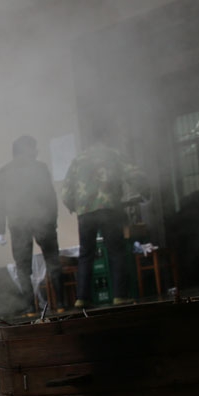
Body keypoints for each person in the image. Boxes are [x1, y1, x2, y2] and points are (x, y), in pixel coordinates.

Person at [61, 122, 150, 307]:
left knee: (86, 254)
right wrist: (144, 191)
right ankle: (119, 296)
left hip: (85, 213)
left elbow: (66, 191)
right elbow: (134, 173)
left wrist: (75, 207)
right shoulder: (113, 155)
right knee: (116, 252)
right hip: (109, 209)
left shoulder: (78, 160)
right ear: (105, 137)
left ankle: (82, 298)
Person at [0, 135, 64, 313]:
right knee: (52, 262)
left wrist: (0, 230)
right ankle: (62, 304)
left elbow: (0, 203)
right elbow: (50, 196)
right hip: (43, 221)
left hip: (18, 224)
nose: (36, 152)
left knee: (23, 268)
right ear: (28, 149)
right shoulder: (40, 168)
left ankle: (30, 307)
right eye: (34, 148)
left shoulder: (3, 173)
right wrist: (53, 221)